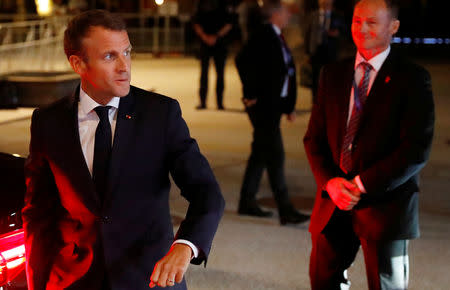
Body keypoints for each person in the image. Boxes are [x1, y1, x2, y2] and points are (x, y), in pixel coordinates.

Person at [22, 10, 225, 290]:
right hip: (74, 281)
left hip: (148, 280)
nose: (124, 66)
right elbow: (38, 215)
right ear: (78, 63)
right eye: (110, 56)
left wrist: (185, 246)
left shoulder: (160, 114)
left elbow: (207, 193)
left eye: (127, 52)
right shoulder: (48, 122)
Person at [303, 0, 435, 289]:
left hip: (386, 205)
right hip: (333, 202)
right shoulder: (332, 74)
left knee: (385, 284)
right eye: (356, 20)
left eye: (372, 22)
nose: (361, 28)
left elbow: (416, 149)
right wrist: (330, 183)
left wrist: (360, 184)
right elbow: (313, 139)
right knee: (323, 280)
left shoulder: (412, 79)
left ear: (394, 27)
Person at [235, 0, 310, 225]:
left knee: (260, 154)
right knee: (275, 156)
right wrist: (250, 93)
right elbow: (242, 60)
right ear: (275, 14)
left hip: (273, 105)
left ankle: (246, 201)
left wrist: (288, 107)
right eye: (286, 11)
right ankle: (285, 209)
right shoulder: (264, 34)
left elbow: (283, 71)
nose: (289, 15)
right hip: (263, 107)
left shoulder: (277, 35)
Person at [192, 0, 232, 110]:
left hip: (220, 43)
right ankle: (203, 102)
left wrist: (216, 37)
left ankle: (219, 103)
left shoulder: (224, 3)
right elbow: (196, 23)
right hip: (206, 43)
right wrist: (205, 37)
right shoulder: (200, 3)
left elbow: (229, 24)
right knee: (204, 73)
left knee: (220, 74)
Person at [303, 0, 345, 104]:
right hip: (315, 52)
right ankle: (315, 102)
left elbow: (345, 32)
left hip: (331, 53)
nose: (325, 2)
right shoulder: (313, 15)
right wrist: (307, 53)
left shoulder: (338, 16)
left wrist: (337, 34)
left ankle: (329, 102)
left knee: (331, 79)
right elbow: (307, 34)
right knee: (315, 79)